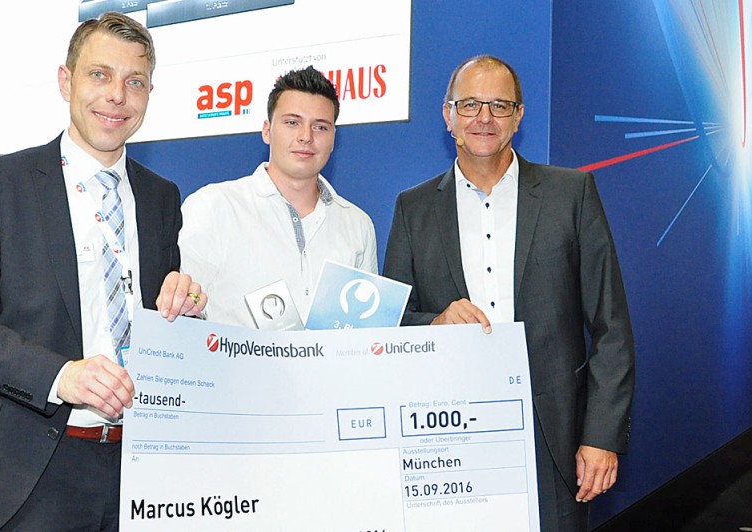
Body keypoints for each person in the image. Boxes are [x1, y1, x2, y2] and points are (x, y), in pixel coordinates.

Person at [0, 13, 206, 531]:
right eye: (100, 75)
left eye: (135, 82)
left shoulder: (161, 198)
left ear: (149, 94)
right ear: (65, 81)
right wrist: (60, 376)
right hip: (33, 471)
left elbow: (156, 315)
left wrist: (185, 312)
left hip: (143, 469)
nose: (117, 95)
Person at [382, 55, 635, 531]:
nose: (484, 118)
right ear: (448, 116)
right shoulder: (413, 208)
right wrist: (435, 322)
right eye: (470, 104)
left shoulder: (571, 194)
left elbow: (612, 326)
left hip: (555, 437)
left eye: (499, 105)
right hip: (449, 434)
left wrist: (601, 436)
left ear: (518, 117)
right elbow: (392, 323)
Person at [179, 66, 377, 328]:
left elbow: (365, 332)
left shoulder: (357, 224)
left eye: (320, 127)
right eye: (292, 122)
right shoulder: (214, 207)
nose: (306, 137)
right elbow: (181, 306)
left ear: (333, 139)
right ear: (267, 131)